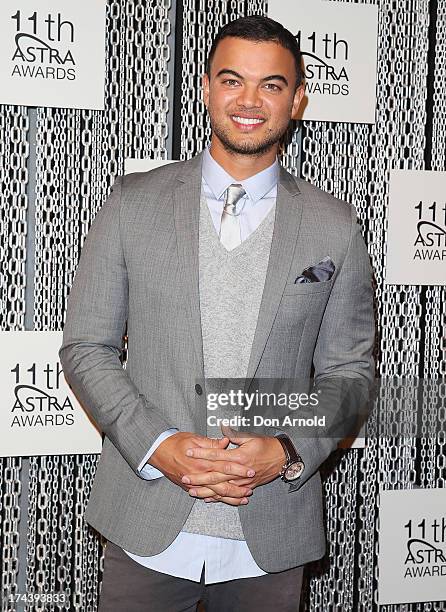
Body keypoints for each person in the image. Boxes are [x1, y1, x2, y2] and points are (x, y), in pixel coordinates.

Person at [60, 14, 375, 612]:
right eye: (232, 80)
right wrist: (158, 445)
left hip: (271, 531)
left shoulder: (336, 226)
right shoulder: (131, 204)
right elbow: (87, 348)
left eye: (272, 85)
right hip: (146, 527)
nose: (249, 101)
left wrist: (284, 449)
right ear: (206, 87)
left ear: (298, 100)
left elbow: (350, 375)